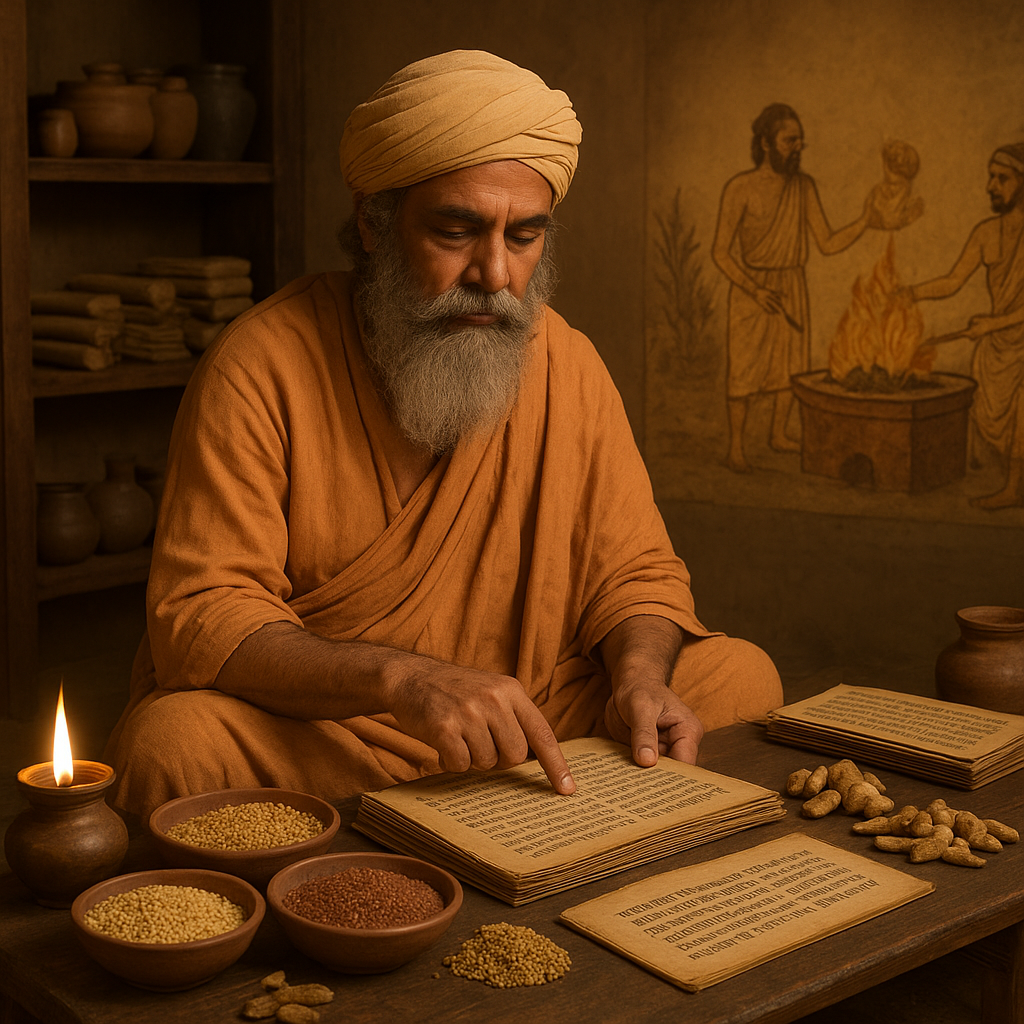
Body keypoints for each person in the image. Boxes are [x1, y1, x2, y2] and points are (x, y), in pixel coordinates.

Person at [104, 50, 782, 820]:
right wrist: (403, 680)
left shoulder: (568, 363)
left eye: (523, 237)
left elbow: (636, 574)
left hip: (531, 721)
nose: (494, 272)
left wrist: (638, 677)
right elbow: (204, 615)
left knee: (738, 676)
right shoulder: (260, 364)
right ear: (372, 222)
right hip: (342, 730)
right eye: (457, 231)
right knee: (174, 744)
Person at [712, 103, 873, 473]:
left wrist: (866, 220)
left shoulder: (804, 187)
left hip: (792, 284)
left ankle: (779, 433)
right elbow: (720, 252)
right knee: (745, 370)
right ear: (767, 143)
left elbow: (828, 242)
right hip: (753, 290)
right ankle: (736, 447)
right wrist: (755, 289)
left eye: (800, 140)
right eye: (790, 139)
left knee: (790, 366)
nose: (798, 146)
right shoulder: (741, 187)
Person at [908, 143, 1024, 509]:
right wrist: (909, 293)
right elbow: (953, 281)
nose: (991, 186)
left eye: (1001, 179)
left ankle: (1012, 489)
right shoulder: (987, 232)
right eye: (990, 177)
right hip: (997, 343)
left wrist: (993, 324)